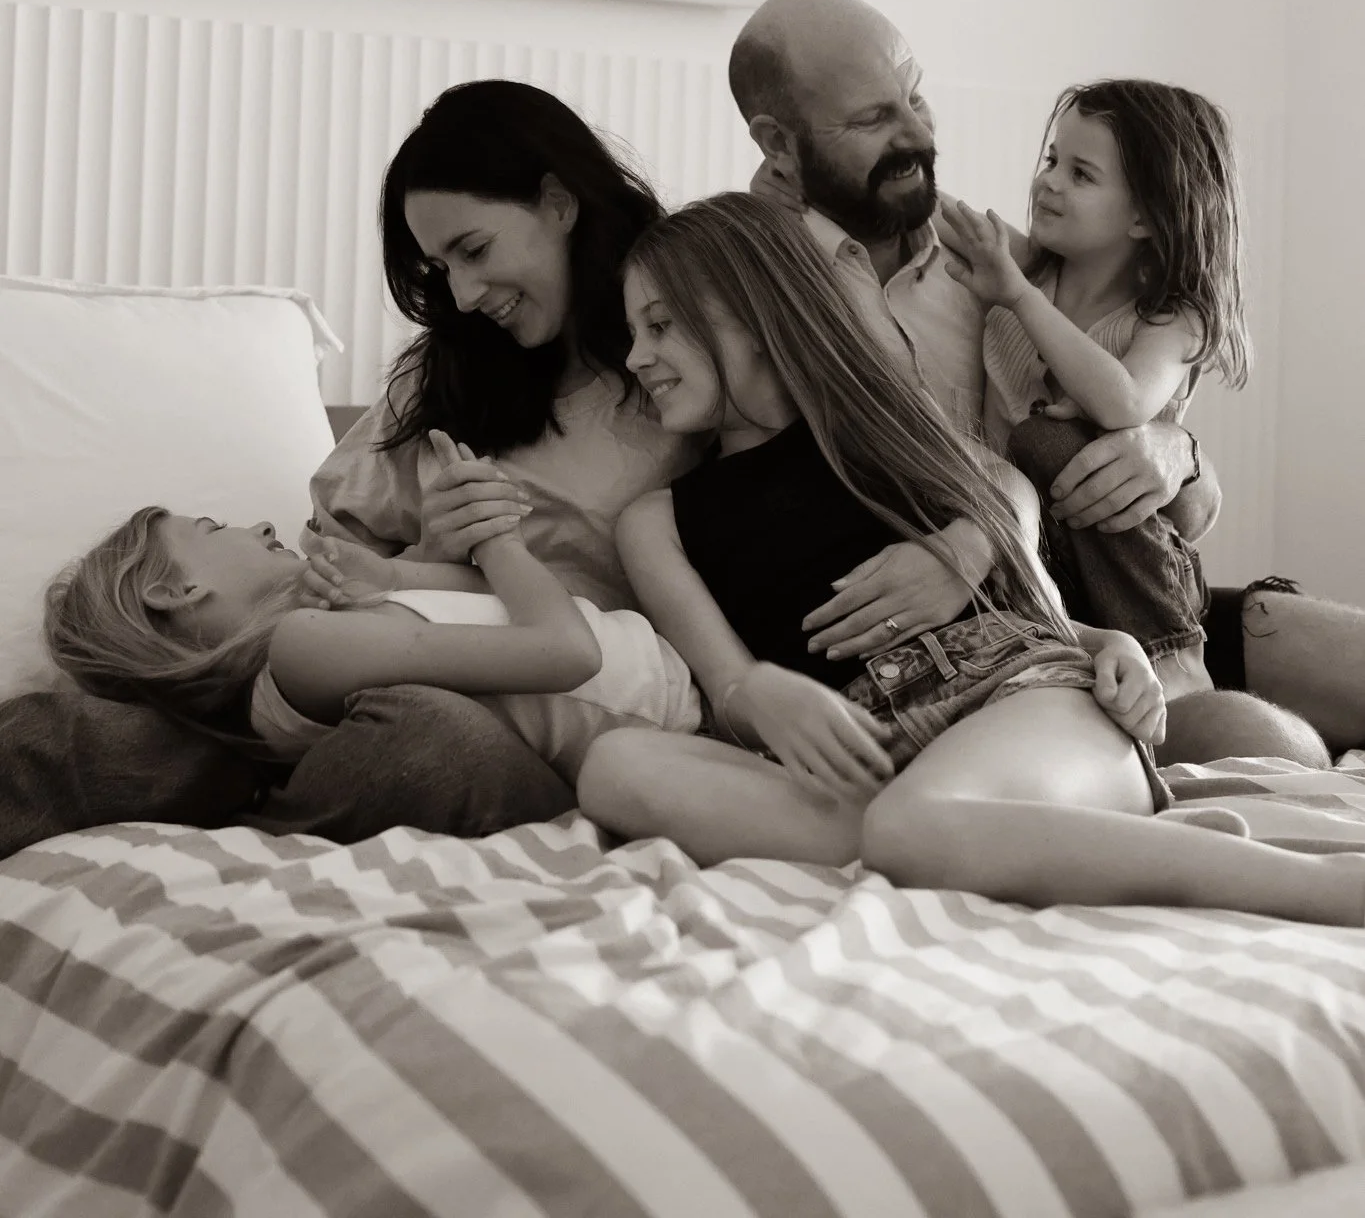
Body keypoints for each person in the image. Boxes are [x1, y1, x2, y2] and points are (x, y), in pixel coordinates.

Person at [578, 194, 1365, 926]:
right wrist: (758, 697)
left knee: (908, 828)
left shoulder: (883, 435)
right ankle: (997, 837)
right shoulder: (654, 523)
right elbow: (728, 684)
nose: (638, 357)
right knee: (611, 765)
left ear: (752, 313)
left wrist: (1105, 643)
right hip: (867, 757)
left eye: (661, 325)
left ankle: (1315, 886)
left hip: (1021, 696)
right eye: (633, 333)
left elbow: (1021, 571)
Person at [728, 0, 1362, 757]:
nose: (918, 135)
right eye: (871, 119)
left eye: (916, 98)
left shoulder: (979, 253)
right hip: (998, 623)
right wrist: (977, 544)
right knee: (1268, 746)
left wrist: (1176, 455)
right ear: (778, 143)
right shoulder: (756, 281)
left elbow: (1178, 504)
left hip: (1126, 589)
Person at [257, 77, 698, 840]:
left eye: (473, 250)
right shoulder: (442, 378)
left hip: (601, 721)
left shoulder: (684, 365)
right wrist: (429, 553)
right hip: (418, 682)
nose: (461, 295)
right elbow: (328, 580)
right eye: (440, 269)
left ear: (558, 203)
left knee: (415, 743)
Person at [43, 447, 700, 783]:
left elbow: (530, 604)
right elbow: (570, 651)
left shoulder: (323, 636)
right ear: (175, 591)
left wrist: (396, 575)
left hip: (681, 679)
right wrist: (497, 539)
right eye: (213, 528)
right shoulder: (302, 648)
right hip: (681, 719)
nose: (263, 524)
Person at [941, 79, 1250, 704]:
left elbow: (1124, 402)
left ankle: (1174, 657)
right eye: (1052, 160)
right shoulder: (1028, 269)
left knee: (1048, 441)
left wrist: (1018, 297)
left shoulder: (1169, 319)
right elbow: (935, 209)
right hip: (1038, 552)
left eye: (1081, 174)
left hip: (1137, 567)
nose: (1048, 182)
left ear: (1144, 217)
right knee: (1021, 463)